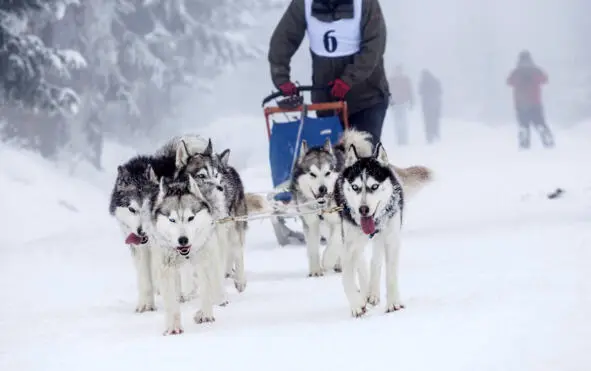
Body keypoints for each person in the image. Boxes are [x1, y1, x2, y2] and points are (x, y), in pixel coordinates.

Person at [267, 0, 390, 146]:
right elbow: (283, 40)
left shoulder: (365, 3)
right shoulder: (303, 4)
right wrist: (282, 78)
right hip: (327, 102)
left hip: (367, 98)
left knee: (363, 155)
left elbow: (374, 46)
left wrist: (348, 79)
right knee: (332, 161)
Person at [506, 50, 555, 149]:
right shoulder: (535, 71)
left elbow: (509, 82)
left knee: (524, 125)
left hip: (521, 104)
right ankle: (548, 142)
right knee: (540, 123)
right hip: (535, 103)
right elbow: (544, 79)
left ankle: (524, 144)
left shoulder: (516, 72)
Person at [389, 64, 414, 145]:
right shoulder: (392, 80)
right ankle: (400, 139)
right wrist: (389, 101)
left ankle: (404, 139)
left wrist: (411, 101)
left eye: (399, 70)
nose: (398, 72)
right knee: (397, 122)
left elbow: (409, 90)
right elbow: (388, 92)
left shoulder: (405, 80)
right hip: (395, 103)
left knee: (403, 121)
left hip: (403, 103)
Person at [418, 69, 442, 144]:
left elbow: (420, 92)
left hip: (426, 104)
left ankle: (429, 137)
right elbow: (440, 91)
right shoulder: (435, 81)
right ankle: (435, 132)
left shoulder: (422, 82)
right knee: (435, 119)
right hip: (435, 104)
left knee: (427, 121)